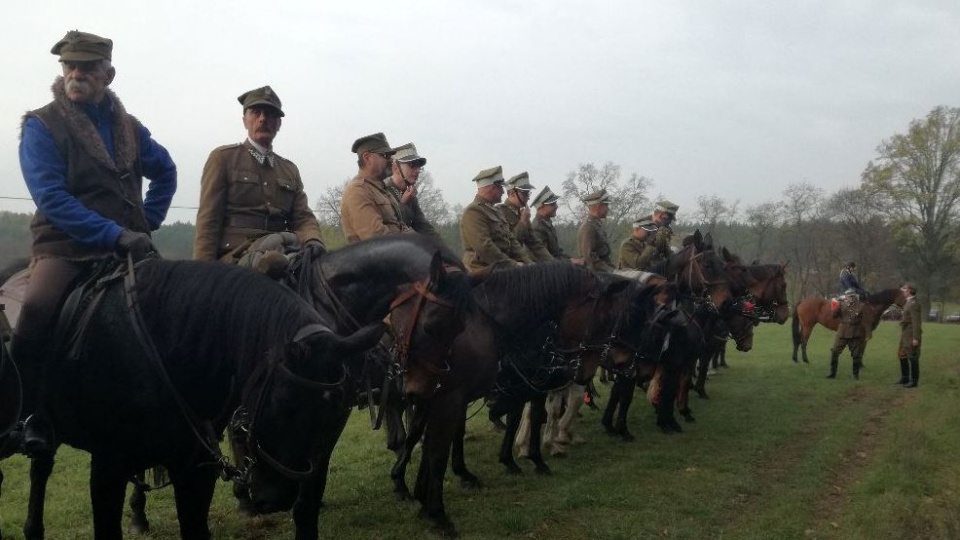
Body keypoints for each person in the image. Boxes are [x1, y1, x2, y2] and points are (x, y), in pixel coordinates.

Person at [15, 30, 178, 452]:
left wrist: (147, 222)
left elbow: (166, 171)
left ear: (108, 73)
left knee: (182, 310)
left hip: (130, 245)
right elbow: (51, 198)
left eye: (87, 67)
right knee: (35, 310)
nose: (76, 73)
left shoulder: (129, 127)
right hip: (65, 247)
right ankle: (29, 413)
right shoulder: (41, 125)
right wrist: (114, 234)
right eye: (69, 65)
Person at [193, 85, 324, 263]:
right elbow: (208, 220)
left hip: (283, 252)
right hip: (236, 257)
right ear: (245, 120)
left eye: (270, 114)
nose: (263, 119)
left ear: (278, 124)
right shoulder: (223, 158)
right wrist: (203, 272)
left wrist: (313, 240)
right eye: (256, 112)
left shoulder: (289, 170)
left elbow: (303, 217)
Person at [460, 166, 534, 273]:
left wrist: (529, 263)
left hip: (500, 268)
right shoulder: (474, 211)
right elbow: (484, 248)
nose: (503, 192)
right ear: (492, 188)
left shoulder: (496, 211)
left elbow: (511, 240)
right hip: (482, 271)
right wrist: (512, 265)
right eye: (500, 188)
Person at [339, 133, 410, 243]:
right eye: (385, 155)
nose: (391, 160)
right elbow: (376, 238)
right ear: (367, 157)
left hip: (398, 255)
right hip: (377, 259)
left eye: (391, 156)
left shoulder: (381, 189)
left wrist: (424, 246)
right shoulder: (357, 191)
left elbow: (401, 227)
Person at [383, 143, 443, 241]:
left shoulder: (410, 196)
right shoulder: (384, 193)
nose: (418, 170)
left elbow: (425, 229)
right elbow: (392, 232)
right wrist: (403, 204)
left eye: (419, 166)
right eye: (412, 165)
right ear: (396, 168)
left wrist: (444, 250)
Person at [497, 172, 553, 262]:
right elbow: (508, 245)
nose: (528, 198)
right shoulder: (500, 212)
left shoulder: (521, 213)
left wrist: (553, 263)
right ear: (511, 193)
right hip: (505, 265)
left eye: (528, 193)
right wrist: (522, 222)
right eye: (524, 194)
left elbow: (535, 244)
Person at [827, 288, 868, 380]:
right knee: (835, 351)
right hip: (842, 332)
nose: (850, 298)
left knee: (856, 355)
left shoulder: (861, 306)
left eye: (851, 296)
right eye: (848, 296)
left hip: (855, 333)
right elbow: (833, 316)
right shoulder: (842, 305)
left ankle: (855, 375)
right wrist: (837, 305)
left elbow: (866, 320)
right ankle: (832, 373)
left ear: (855, 297)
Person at [531, 185, 573, 261]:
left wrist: (571, 259)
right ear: (541, 206)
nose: (556, 206)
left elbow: (557, 251)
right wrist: (569, 262)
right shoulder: (537, 227)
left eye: (555, 203)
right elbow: (544, 258)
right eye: (552, 204)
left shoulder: (547, 223)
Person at [577, 190, 615, 271]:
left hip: (605, 270)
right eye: (606, 205)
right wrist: (611, 270)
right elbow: (589, 257)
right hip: (598, 275)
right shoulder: (588, 227)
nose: (608, 209)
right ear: (598, 206)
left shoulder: (597, 224)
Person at [897, 282, 922, 388]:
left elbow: (916, 322)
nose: (903, 292)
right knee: (902, 355)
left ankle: (914, 381)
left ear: (909, 291)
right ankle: (905, 378)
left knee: (912, 357)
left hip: (911, 334)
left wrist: (916, 338)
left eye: (905, 290)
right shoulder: (908, 302)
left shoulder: (914, 304)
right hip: (905, 334)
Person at [646, 200, 679, 267]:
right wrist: (662, 229)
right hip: (646, 266)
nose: (670, 222)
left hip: (660, 263)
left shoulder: (664, 228)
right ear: (661, 215)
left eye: (670, 219)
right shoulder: (646, 225)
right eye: (668, 218)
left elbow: (665, 249)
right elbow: (654, 248)